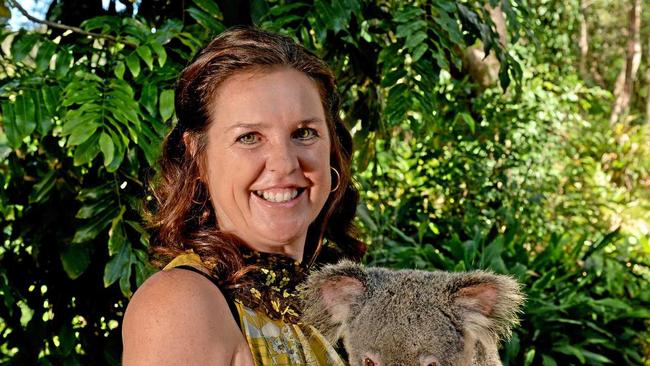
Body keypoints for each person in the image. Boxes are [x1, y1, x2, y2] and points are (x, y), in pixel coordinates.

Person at [121, 27, 366, 365]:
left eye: (304, 133)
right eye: (249, 137)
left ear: (332, 150)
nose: (284, 163)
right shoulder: (182, 304)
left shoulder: (333, 310)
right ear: (198, 158)